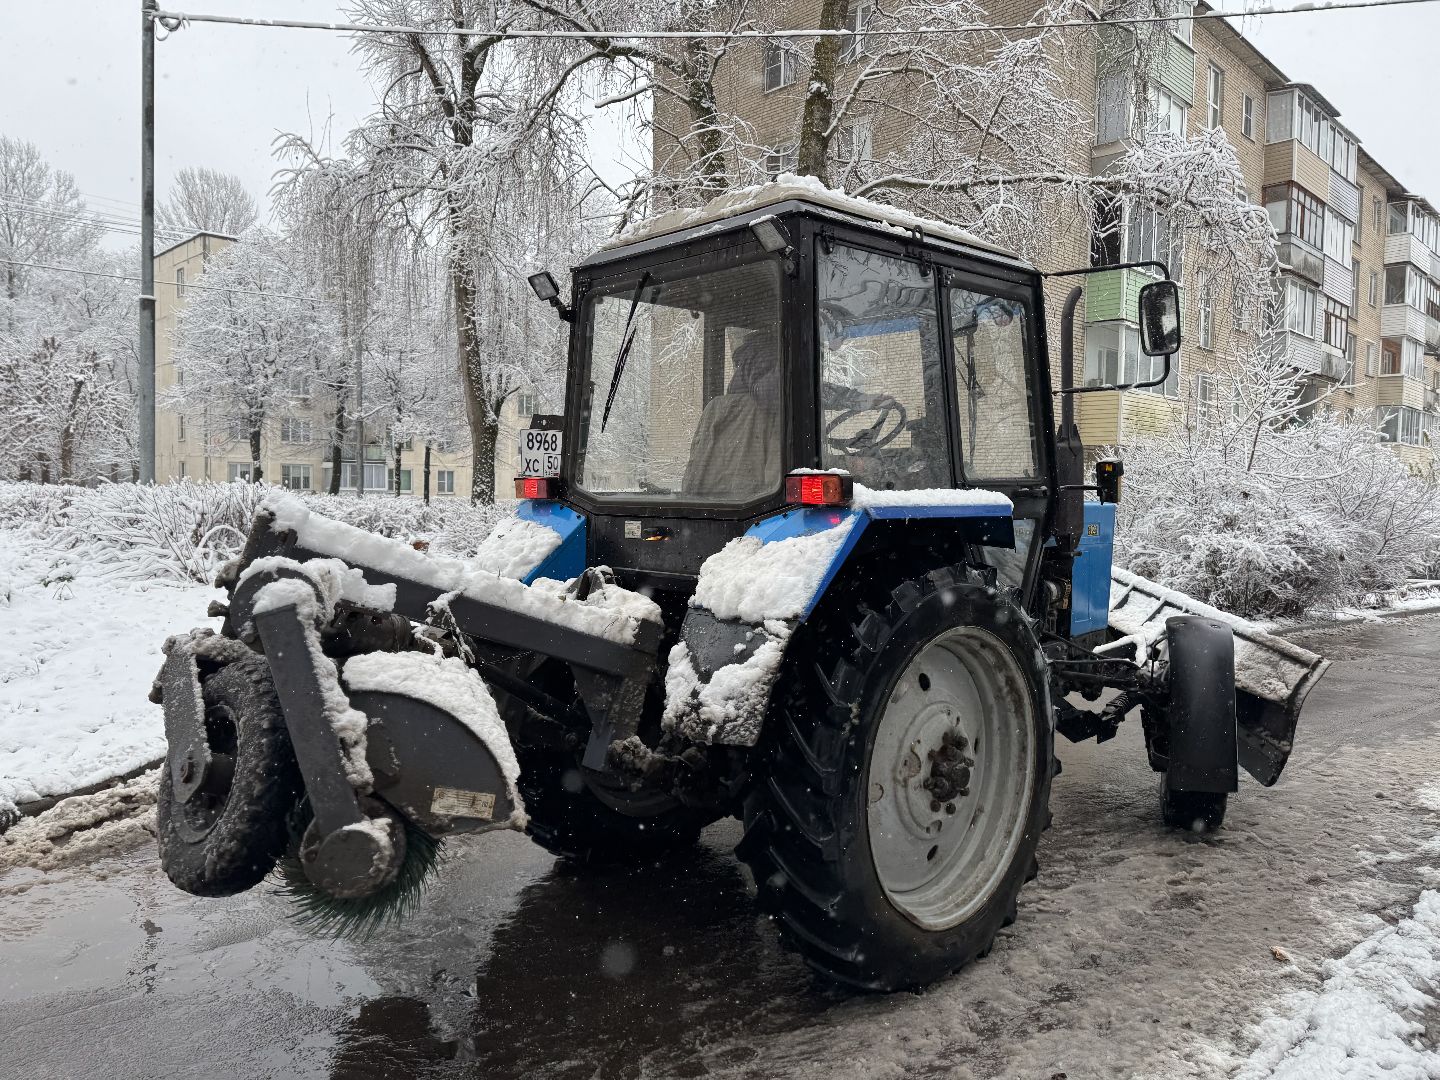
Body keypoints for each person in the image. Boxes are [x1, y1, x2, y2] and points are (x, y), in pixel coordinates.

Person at [681, 328, 782, 499]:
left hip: (718, 501)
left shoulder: (716, 407)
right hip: (756, 501)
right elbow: (777, 474)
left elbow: (693, 472)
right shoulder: (773, 410)